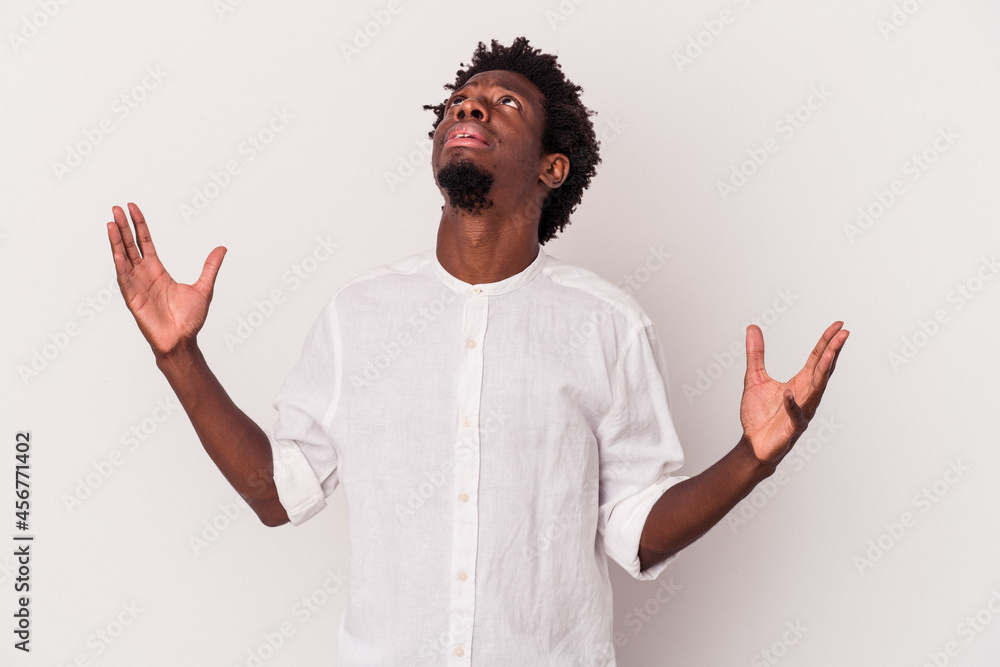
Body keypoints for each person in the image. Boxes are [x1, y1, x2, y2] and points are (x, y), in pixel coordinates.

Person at [106, 37, 847, 666]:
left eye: (506, 104)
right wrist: (180, 356)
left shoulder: (608, 325)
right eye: (461, 99)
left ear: (551, 169)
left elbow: (637, 532)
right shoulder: (357, 316)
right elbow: (279, 492)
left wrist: (753, 456)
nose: (470, 106)